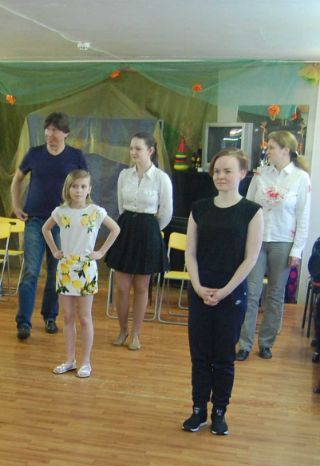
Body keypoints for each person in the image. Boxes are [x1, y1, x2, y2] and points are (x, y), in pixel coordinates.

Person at [183, 149, 263, 435]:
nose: (221, 176)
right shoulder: (199, 208)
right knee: (200, 356)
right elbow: (190, 253)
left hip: (232, 293)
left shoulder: (252, 211)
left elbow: (250, 258)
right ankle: (198, 410)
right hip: (201, 289)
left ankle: (219, 411)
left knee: (224, 357)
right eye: (217, 171)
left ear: (242, 173)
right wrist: (197, 286)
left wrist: (226, 290)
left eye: (228, 171)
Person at [12, 112, 88, 341]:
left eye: (55, 130)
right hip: (35, 220)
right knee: (31, 271)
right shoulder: (34, 154)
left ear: (65, 133)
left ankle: (50, 316)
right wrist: (16, 205)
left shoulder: (75, 156)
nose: (49, 134)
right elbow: (17, 180)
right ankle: (23, 322)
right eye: (47, 129)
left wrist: (81, 213)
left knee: (56, 272)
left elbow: (84, 184)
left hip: (63, 222)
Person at [236, 130, 311, 360]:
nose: (267, 151)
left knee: (275, 295)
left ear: (285, 150)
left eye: (271, 148)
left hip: (284, 242)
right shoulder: (260, 174)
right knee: (251, 292)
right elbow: (247, 207)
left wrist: (297, 250)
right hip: (257, 240)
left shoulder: (300, 178)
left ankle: (266, 343)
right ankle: (244, 343)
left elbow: (303, 217)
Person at [42, 170, 120, 379]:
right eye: (74, 186)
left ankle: (86, 361)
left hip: (85, 269)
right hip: (66, 268)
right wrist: (54, 250)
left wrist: (101, 252)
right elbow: (45, 229)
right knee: (67, 316)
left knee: (85, 317)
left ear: (89, 189)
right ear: (68, 188)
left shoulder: (96, 211)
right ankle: (70, 360)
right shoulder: (61, 211)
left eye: (83, 186)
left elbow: (115, 229)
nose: (78, 190)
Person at [105, 132, 173, 350]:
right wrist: (130, 225)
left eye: (138, 148)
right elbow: (120, 205)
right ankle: (122, 330)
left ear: (150, 151)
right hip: (126, 228)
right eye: (131, 148)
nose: (133, 152)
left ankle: (136, 334)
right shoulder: (124, 175)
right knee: (122, 286)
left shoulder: (161, 178)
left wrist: (149, 229)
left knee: (142, 286)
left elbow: (166, 213)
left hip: (149, 230)